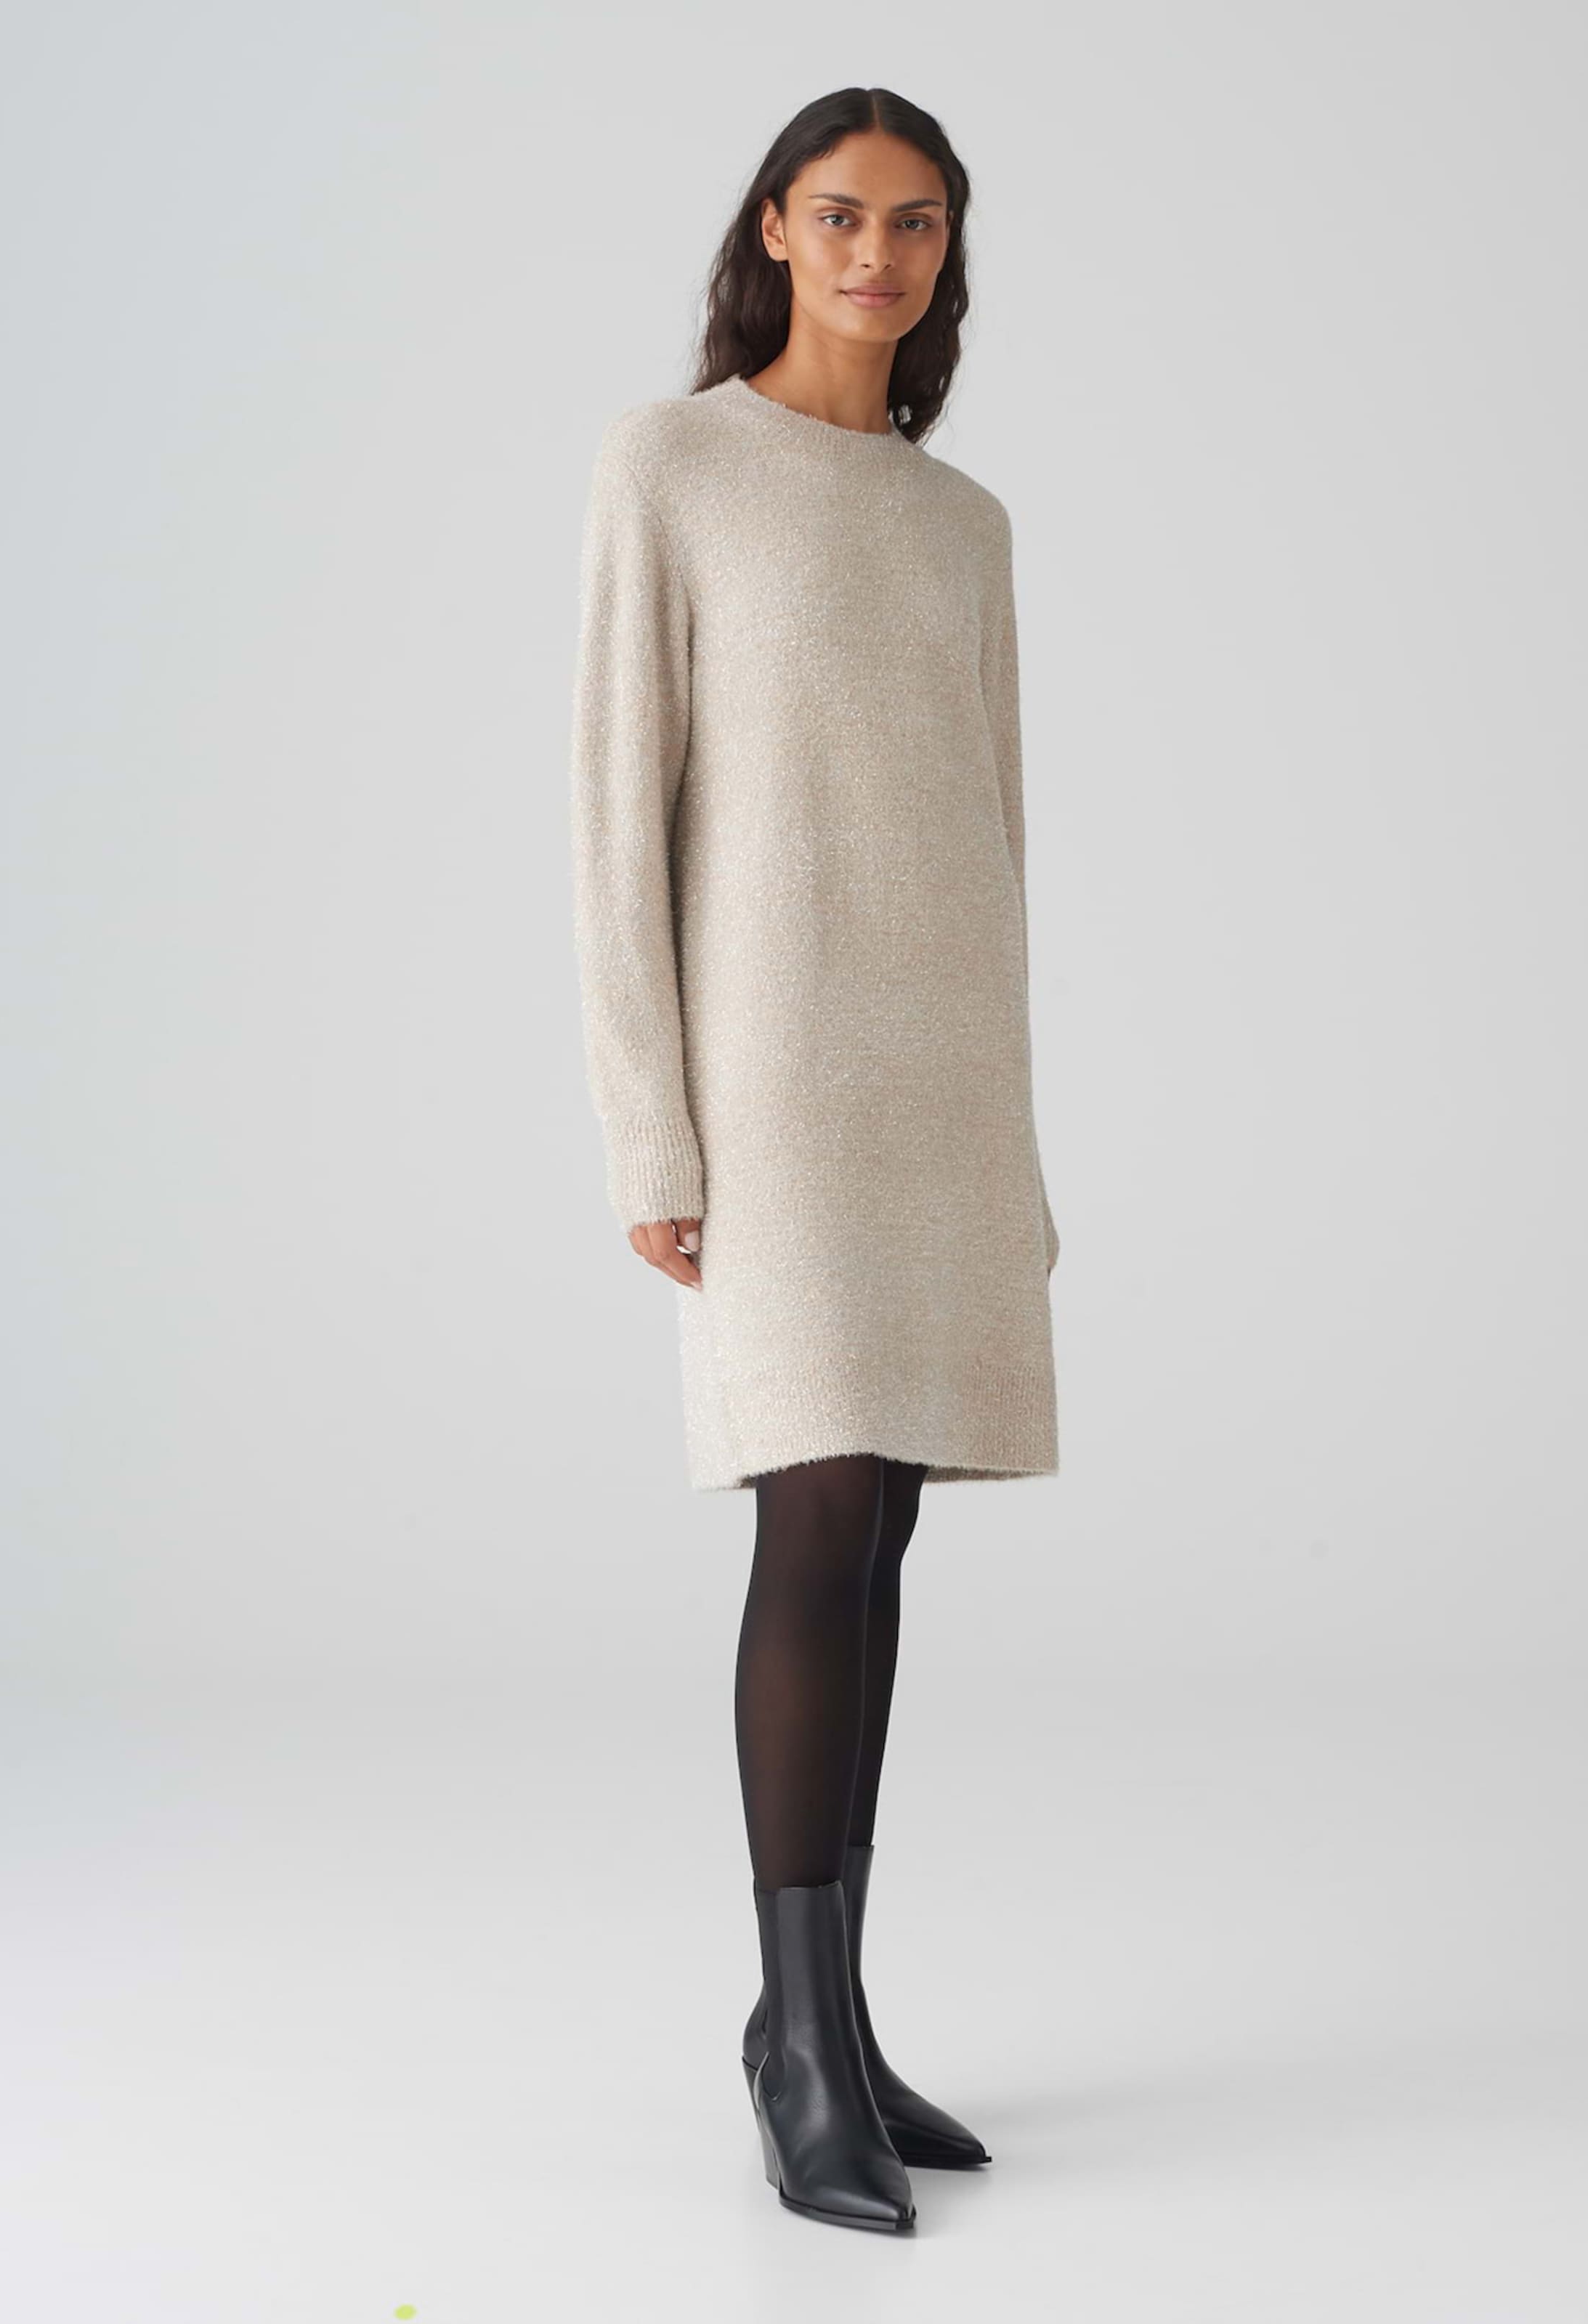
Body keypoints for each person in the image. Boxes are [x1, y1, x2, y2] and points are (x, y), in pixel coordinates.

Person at [569, 85, 1060, 2234]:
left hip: (935, 1087)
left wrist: (1016, 1159)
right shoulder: (672, 465)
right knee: (818, 1508)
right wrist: (649, 1119)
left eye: (918, 224)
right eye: (844, 215)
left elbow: (997, 849)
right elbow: (616, 811)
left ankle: (830, 2026)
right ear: (775, 228)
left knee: (884, 1539)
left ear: (948, 255)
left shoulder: (965, 525)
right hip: (769, 1075)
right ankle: (790, 2047)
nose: (880, 255)